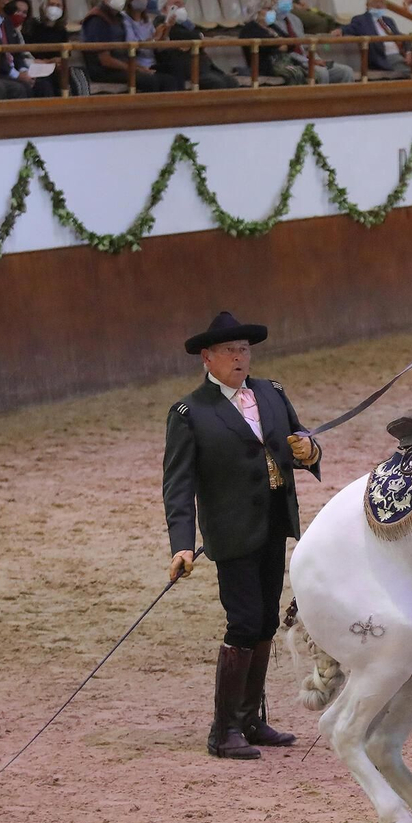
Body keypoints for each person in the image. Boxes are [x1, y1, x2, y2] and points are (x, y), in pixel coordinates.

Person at [163, 311, 323, 760]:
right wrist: (181, 542)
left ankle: (252, 720)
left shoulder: (272, 394)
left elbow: (300, 441)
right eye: (230, 351)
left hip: (275, 522)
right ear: (206, 358)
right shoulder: (190, 412)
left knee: (267, 621)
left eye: (245, 350)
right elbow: (178, 484)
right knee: (245, 622)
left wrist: (310, 451)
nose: (239, 357)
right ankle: (224, 729)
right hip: (231, 532)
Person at [81, 0, 182, 92]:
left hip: (122, 64)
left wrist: (138, 67)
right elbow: (105, 60)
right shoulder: (97, 19)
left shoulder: (117, 17)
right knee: (151, 81)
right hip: (104, 70)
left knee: (170, 78)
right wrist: (135, 69)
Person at [269, 0, 355, 84]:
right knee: (321, 73)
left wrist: (316, 59)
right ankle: (322, 100)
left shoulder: (295, 20)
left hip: (307, 60)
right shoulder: (268, 21)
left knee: (346, 71)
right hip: (291, 63)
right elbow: (286, 51)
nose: (286, 1)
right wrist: (308, 61)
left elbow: (304, 46)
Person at [156, 0, 238, 90]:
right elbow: (191, 36)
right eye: (177, 4)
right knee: (216, 83)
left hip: (203, 66)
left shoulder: (186, 24)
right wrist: (199, 37)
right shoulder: (161, 22)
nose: (181, 8)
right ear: (164, 9)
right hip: (186, 69)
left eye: (182, 4)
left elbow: (196, 34)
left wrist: (198, 37)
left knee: (231, 82)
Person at [344, 0, 412, 79]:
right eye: (375, 2)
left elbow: (401, 36)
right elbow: (349, 28)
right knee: (411, 70)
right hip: (384, 56)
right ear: (367, 5)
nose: (379, 5)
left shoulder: (388, 21)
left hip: (400, 54)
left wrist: (409, 52)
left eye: (382, 2)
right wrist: (340, 30)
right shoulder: (360, 20)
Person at [238, 0, 307, 85]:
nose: (272, 12)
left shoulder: (272, 26)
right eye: (268, 9)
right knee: (295, 73)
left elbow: (290, 42)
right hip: (265, 66)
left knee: (311, 73)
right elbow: (267, 46)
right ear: (257, 11)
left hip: (284, 62)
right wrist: (279, 44)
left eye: (272, 9)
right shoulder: (249, 29)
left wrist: (281, 44)